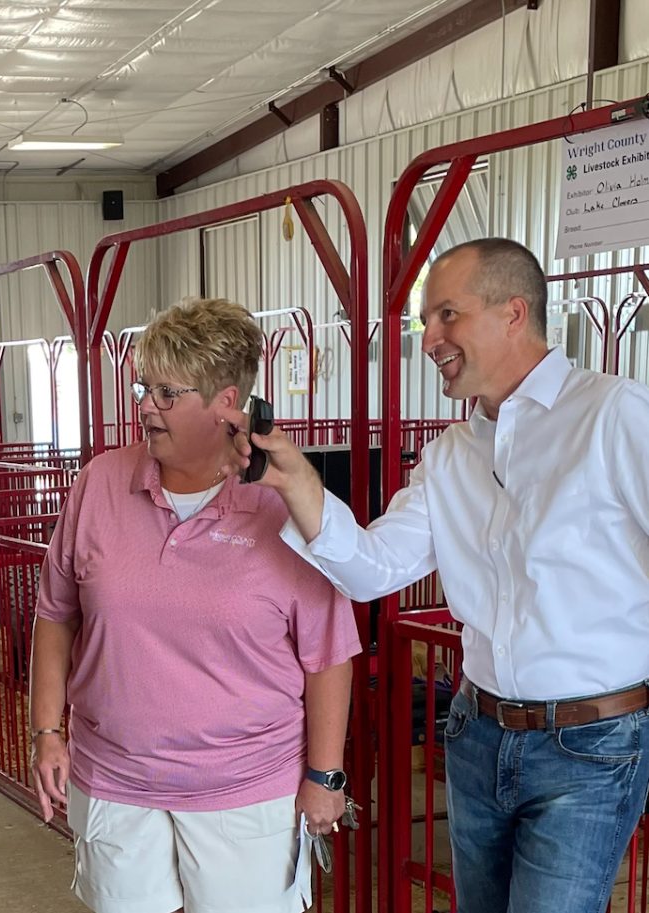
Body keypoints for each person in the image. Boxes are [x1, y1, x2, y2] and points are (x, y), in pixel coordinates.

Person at [232, 237, 649, 913]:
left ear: (515, 312)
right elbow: (373, 569)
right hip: (477, 732)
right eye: (427, 320)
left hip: (593, 743)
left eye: (447, 314)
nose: (430, 338)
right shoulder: (452, 454)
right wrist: (297, 482)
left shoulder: (614, 415)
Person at [30, 297, 361, 913]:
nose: (145, 407)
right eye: (142, 388)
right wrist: (48, 731)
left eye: (166, 393)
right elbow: (55, 613)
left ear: (226, 403)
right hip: (115, 779)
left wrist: (324, 777)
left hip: (245, 787)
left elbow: (327, 655)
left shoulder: (283, 505)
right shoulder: (100, 483)